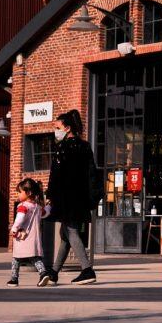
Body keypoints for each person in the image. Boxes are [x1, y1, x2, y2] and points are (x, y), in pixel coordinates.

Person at [46, 109, 103, 285]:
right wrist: (93, 196)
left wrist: (50, 195)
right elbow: (92, 172)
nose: (55, 130)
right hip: (81, 197)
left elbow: (56, 175)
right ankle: (54, 273)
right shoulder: (85, 146)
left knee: (70, 231)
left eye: (57, 127)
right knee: (66, 233)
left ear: (68, 128)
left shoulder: (62, 148)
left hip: (66, 197)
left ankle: (87, 270)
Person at [8, 179, 51, 287]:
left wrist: (14, 229)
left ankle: (14, 279)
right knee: (35, 258)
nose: (18, 194)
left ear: (29, 193)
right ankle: (43, 273)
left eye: (20, 192)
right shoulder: (37, 207)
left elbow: (20, 219)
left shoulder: (23, 206)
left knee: (16, 258)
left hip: (22, 237)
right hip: (34, 238)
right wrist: (49, 206)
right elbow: (45, 214)